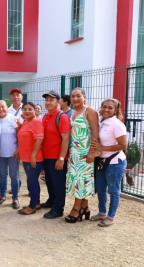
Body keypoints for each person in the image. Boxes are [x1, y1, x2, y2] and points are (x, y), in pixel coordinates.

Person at [91, 98, 127, 227]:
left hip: (115, 163)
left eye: (110, 108)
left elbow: (123, 145)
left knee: (113, 190)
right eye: (104, 106)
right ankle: (102, 213)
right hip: (101, 161)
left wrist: (102, 148)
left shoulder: (117, 124)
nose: (106, 109)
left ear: (115, 110)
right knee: (100, 189)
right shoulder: (101, 121)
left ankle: (110, 217)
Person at [65, 88, 99, 223]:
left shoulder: (89, 111)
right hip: (74, 153)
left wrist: (92, 152)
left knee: (81, 180)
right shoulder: (72, 112)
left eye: (78, 96)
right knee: (78, 180)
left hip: (85, 153)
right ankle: (85, 207)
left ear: (84, 97)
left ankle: (76, 209)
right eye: (73, 96)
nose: (75, 99)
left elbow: (96, 132)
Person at [41, 90, 71, 219]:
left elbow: (66, 139)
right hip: (46, 156)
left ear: (58, 102)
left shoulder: (62, 117)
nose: (48, 102)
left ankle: (58, 209)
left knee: (58, 184)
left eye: (51, 100)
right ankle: (52, 201)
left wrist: (61, 158)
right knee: (49, 181)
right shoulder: (45, 116)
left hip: (56, 157)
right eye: (46, 100)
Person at [17, 102, 44, 215]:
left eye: (30, 109)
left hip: (34, 158)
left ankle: (32, 206)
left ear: (35, 111)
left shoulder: (36, 123)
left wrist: (33, 155)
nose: (27, 111)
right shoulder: (25, 122)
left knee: (32, 182)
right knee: (32, 181)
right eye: (25, 109)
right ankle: (36, 202)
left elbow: (39, 140)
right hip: (26, 158)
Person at [0, 100, 20, 209]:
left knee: (14, 176)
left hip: (13, 153)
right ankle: (3, 195)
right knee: (2, 175)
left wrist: (18, 148)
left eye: (3, 107)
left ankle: (15, 197)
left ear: (6, 107)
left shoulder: (13, 119)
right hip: (0, 153)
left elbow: (20, 135)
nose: (1, 109)